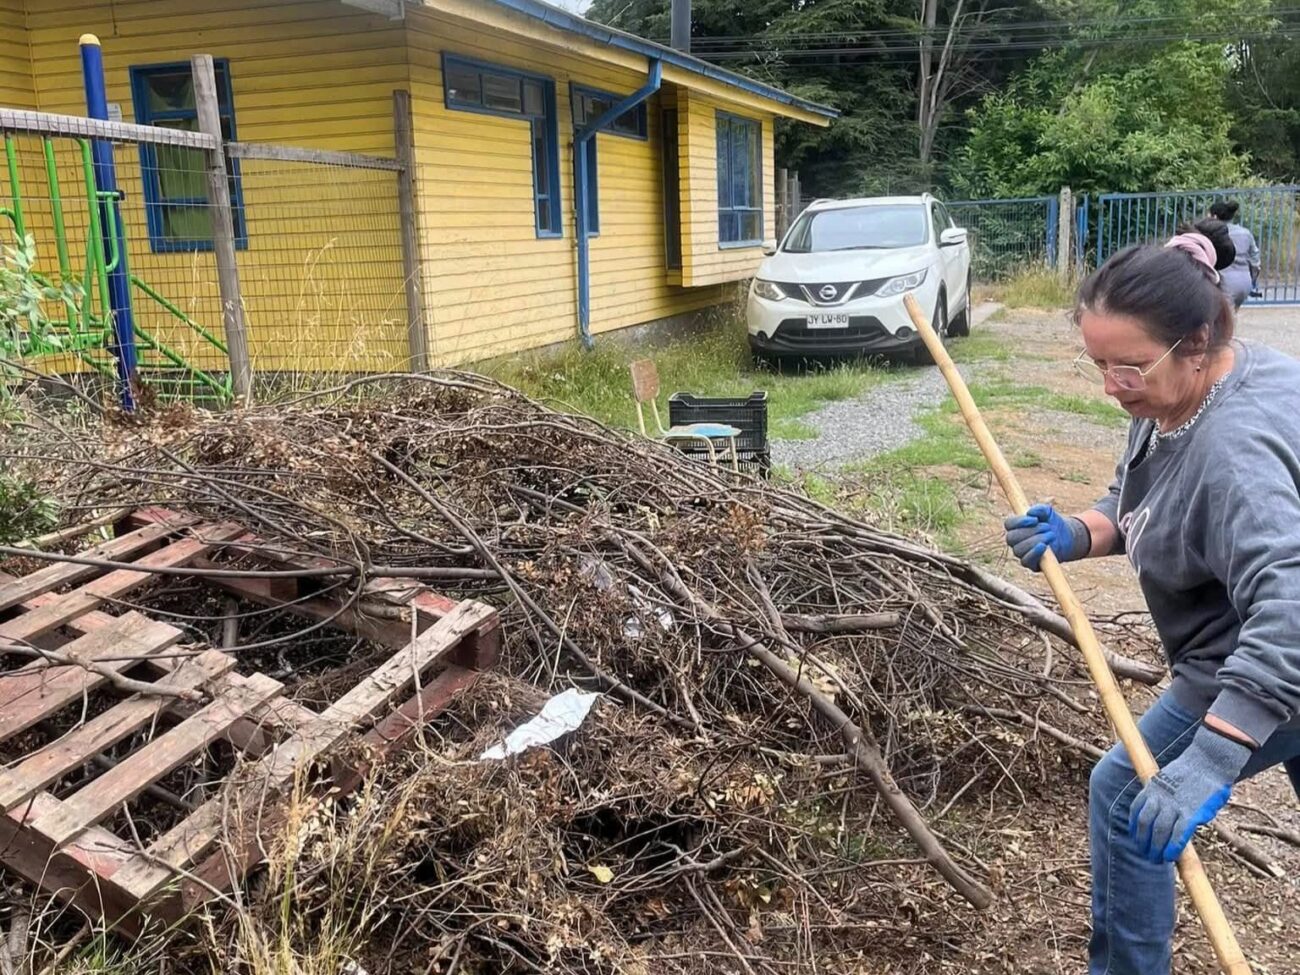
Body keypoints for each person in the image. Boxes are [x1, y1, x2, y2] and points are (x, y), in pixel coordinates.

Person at [1002, 232, 1300, 975]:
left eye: (1127, 365)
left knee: (1127, 798)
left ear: (1195, 341)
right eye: (1098, 362)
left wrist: (1214, 753)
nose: (1111, 385)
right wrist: (1079, 530)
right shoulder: (1184, 392)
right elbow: (1149, 501)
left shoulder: (1234, 452)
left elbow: (1289, 603)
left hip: (1266, 655)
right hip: (1263, 642)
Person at [1208, 200, 1261, 308]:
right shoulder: (1245, 233)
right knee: (1231, 317)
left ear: (1215, 217)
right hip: (1245, 282)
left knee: (1220, 319)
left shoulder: (1214, 234)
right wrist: (1253, 280)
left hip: (1224, 284)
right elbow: (1255, 260)